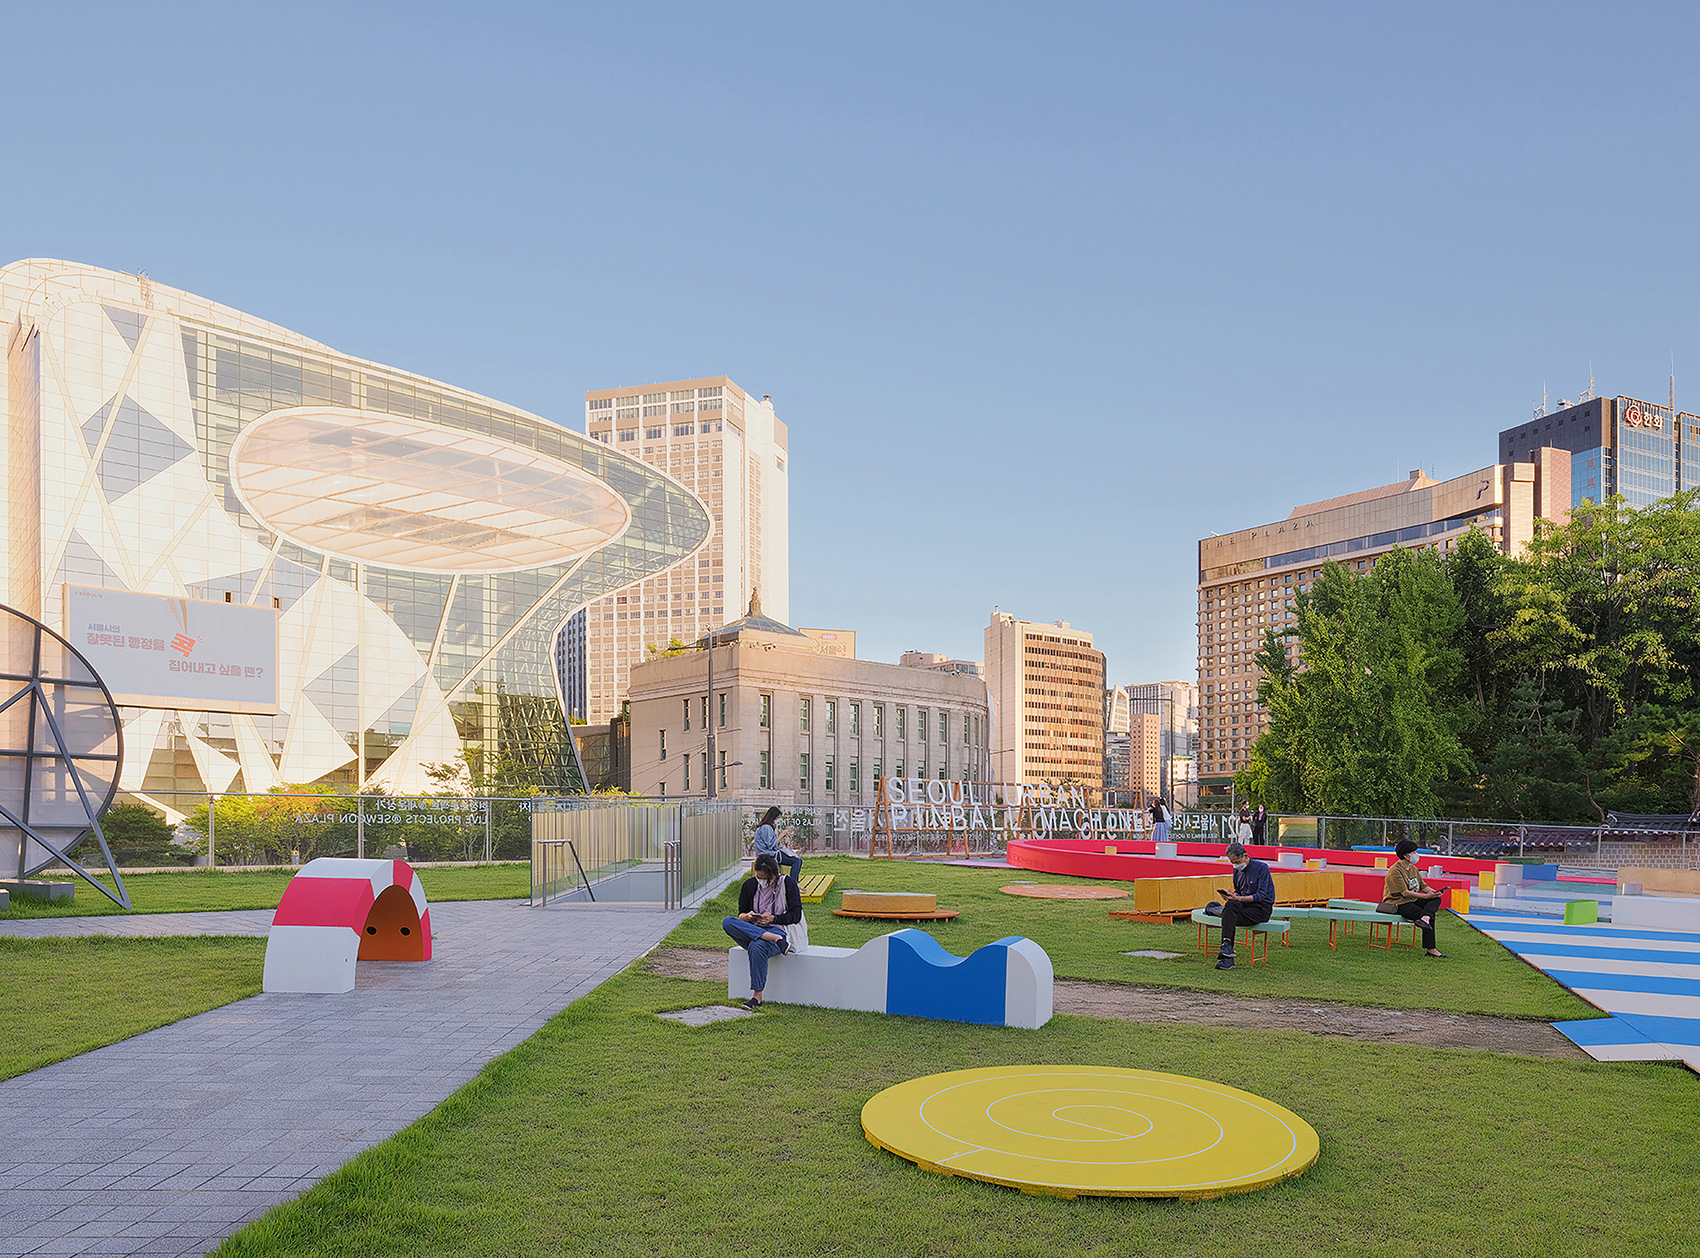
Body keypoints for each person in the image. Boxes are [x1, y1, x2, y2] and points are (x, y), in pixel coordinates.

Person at [721, 853, 804, 1009]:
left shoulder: (788, 884)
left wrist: (773, 918)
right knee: (727, 921)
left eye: (765, 878)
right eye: (759, 877)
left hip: (779, 930)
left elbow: (796, 915)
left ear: (774, 873)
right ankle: (772, 938)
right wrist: (748, 916)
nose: (762, 881)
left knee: (756, 945)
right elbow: (741, 915)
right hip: (756, 930)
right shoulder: (749, 885)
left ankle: (756, 997)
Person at [1379, 838, 1446, 957]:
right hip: (1398, 903)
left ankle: (1425, 918)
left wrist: (1433, 893)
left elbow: (1423, 886)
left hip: (1412, 900)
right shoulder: (1395, 871)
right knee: (1429, 914)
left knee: (1436, 900)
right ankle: (1431, 949)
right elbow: (1404, 893)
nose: (1416, 855)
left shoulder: (1413, 869)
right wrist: (1426, 896)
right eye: (1413, 852)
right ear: (1405, 855)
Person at [1215, 841, 1275, 970]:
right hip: (1244, 905)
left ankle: (1227, 954)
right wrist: (1233, 895)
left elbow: (1261, 895)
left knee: (1228, 916)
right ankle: (1227, 948)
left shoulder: (1262, 868)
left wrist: (1239, 898)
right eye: (1232, 863)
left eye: (1237, 861)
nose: (1235, 865)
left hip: (1261, 908)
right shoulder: (1237, 872)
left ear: (1245, 856)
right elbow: (1239, 892)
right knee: (1230, 907)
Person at [750, 805, 802, 880]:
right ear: (773, 817)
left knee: (796, 859)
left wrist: (782, 837)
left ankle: (794, 884)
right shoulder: (766, 828)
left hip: (769, 853)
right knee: (797, 861)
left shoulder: (766, 827)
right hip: (768, 855)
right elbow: (771, 846)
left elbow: (773, 844)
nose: (777, 820)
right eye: (777, 818)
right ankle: (794, 884)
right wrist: (782, 835)